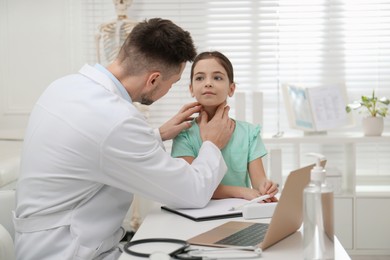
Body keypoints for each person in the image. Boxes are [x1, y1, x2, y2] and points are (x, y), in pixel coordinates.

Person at [13, 19, 234, 260]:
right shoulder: (117, 121)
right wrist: (212, 143)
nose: (169, 90)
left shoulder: (65, 86)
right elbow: (193, 192)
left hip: (39, 242)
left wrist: (157, 134)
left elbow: (92, 147)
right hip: (68, 252)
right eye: (172, 83)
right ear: (153, 80)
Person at [171, 51, 278, 201]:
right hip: (198, 214)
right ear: (191, 89)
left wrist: (265, 187)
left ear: (231, 89)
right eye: (200, 78)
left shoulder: (249, 133)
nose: (208, 83)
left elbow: (259, 182)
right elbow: (190, 185)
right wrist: (241, 191)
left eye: (217, 77)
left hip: (238, 213)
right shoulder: (184, 134)